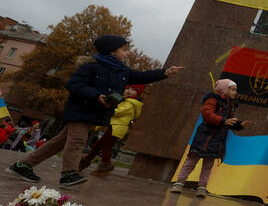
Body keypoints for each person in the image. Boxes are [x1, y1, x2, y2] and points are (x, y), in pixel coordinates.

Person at [10, 34, 182, 187]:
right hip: (79, 110)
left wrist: (165, 72)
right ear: (112, 51)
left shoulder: (123, 71)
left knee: (59, 142)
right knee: (77, 141)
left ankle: (23, 165)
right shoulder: (91, 67)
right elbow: (74, 85)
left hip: (94, 114)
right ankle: (68, 174)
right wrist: (96, 96)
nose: (127, 53)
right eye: (124, 50)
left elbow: (143, 76)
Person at [171, 79, 249, 197]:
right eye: (233, 89)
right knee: (191, 161)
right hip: (205, 136)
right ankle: (179, 183)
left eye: (236, 90)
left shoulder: (230, 104)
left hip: (217, 139)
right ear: (224, 89)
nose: (235, 92)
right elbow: (207, 114)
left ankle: (202, 187)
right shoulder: (212, 100)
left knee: (208, 164)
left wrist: (239, 125)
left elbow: (228, 121)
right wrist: (223, 120)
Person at [78, 85, 144, 175]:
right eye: (127, 89)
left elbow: (117, 112)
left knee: (106, 146)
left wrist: (106, 108)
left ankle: (105, 165)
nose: (128, 91)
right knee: (98, 145)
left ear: (137, 93)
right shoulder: (123, 101)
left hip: (117, 128)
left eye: (133, 90)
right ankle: (86, 161)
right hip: (113, 126)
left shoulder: (130, 104)